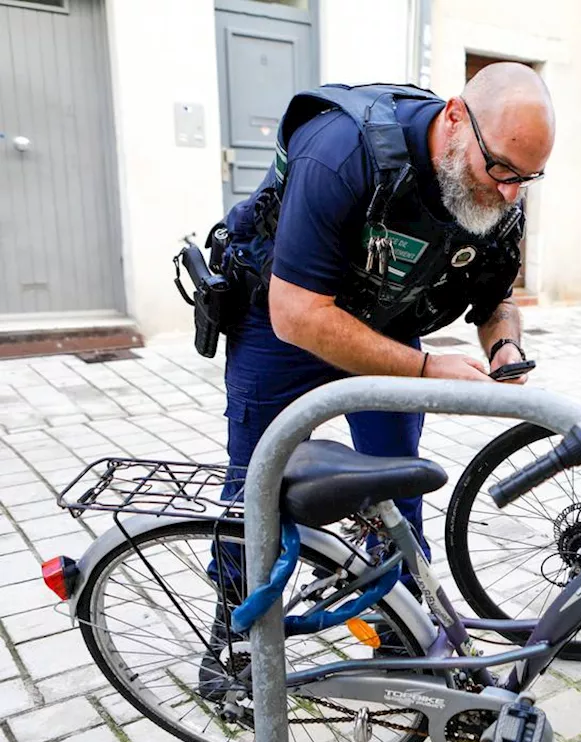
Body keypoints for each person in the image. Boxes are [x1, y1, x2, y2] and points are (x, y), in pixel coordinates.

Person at [211, 63, 554, 585]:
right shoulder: (341, 150)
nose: (511, 193)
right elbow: (296, 313)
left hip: (385, 317)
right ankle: (233, 644)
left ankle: (401, 644)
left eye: (527, 178)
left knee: (397, 490)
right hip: (280, 322)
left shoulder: (499, 190)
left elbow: (497, 299)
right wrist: (426, 369)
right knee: (255, 492)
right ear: (456, 117)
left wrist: (504, 343)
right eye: (503, 170)